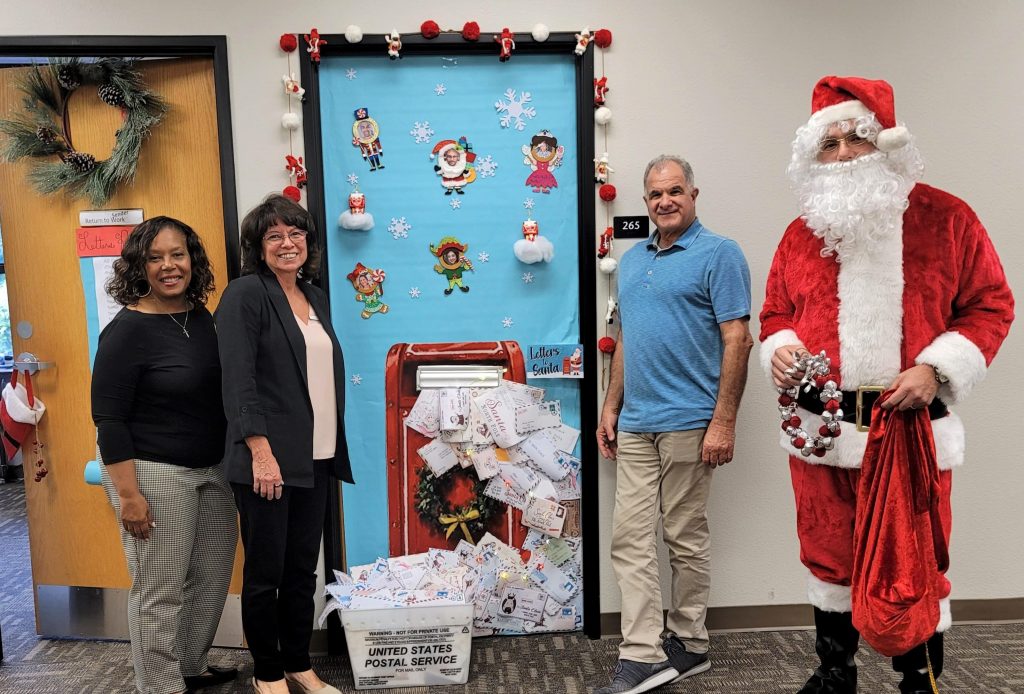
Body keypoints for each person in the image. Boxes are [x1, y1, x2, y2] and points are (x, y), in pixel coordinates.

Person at [759, 76, 1014, 694]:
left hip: (912, 432)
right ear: (812, 157)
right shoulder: (800, 234)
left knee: (918, 555)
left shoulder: (946, 218)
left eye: (859, 139)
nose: (845, 154)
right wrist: (782, 351)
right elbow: (774, 316)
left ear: (886, 147)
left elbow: (990, 305)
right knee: (827, 554)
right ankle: (834, 673)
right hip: (825, 431)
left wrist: (936, 369)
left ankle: (918, 681)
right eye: (831, 144)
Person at [595, 155, 754, 694]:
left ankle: (690, 642)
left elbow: (738, 339)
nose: (665, 201)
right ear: (645, 203)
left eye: (675, 191)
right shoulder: (635, 259)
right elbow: (628, 343)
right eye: (655, 194)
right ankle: (642, 651)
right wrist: (610, 405)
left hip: (691, 420)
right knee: (629, 537)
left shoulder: (719, 253)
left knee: (683, 534)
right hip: (637, 422)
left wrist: (723, 421)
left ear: (693, 194)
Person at [92, 216, 238, 694]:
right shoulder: (125, 332)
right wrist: (128, 495)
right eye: (155, 257)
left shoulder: (200, 316)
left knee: (211, 579)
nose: (168, 266)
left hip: (212, 468)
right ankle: (160, 686)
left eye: (177, 254)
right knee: (160, 590)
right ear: (139, 265)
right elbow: (109, 421)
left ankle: (186, 670)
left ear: (192, 260)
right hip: (153, 473)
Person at [217, 194, 354, 694]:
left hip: (315, 458)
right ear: (257, 246)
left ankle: (299, 663)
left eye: (296, 233)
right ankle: (268, 672)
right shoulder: (245, 294)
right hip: (266, 461)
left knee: (302, 568)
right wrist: (260, 449)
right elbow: (239, 380)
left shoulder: (315, 297)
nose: (287, 243)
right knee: (265, 573)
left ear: (308, 243)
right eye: (274, 236)